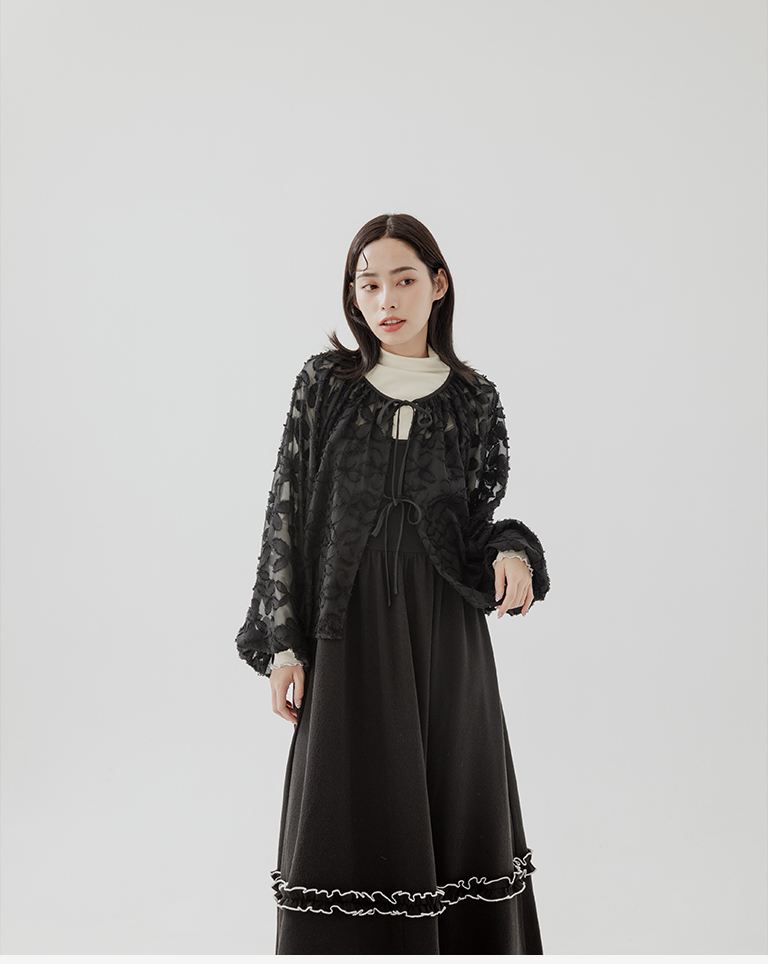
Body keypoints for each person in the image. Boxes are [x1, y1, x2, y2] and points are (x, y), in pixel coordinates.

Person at [235, 213, 550, 955]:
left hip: (445, 639)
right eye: (369, 283)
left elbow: (476, 526)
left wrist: (513, 551)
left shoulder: (473, 401)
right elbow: (287, 512)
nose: (386, 299)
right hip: (346, 635)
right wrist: (285, 644)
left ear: (438, 285)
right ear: (353, 294)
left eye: (403, 280)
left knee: (453, 800)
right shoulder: (325, 385)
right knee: (342, 806)